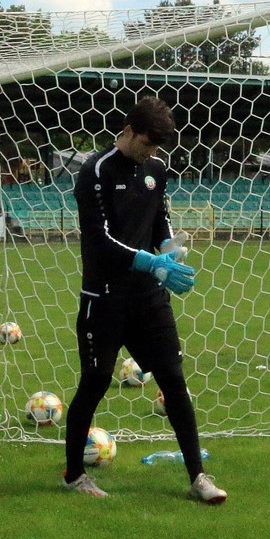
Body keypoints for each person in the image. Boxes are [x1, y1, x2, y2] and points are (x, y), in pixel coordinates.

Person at [62, 95, 226, 504]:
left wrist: (171, 254)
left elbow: (159, 222)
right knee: (96, 382)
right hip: (104, 297)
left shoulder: (156, 170)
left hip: (149, 298)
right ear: (130, 131)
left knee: (173, 379)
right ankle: (74, 475)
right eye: (148, 143)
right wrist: (148, 261)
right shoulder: (95, 171)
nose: (152, 152)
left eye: (157, 147)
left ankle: (199, 478)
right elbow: (99, 240)